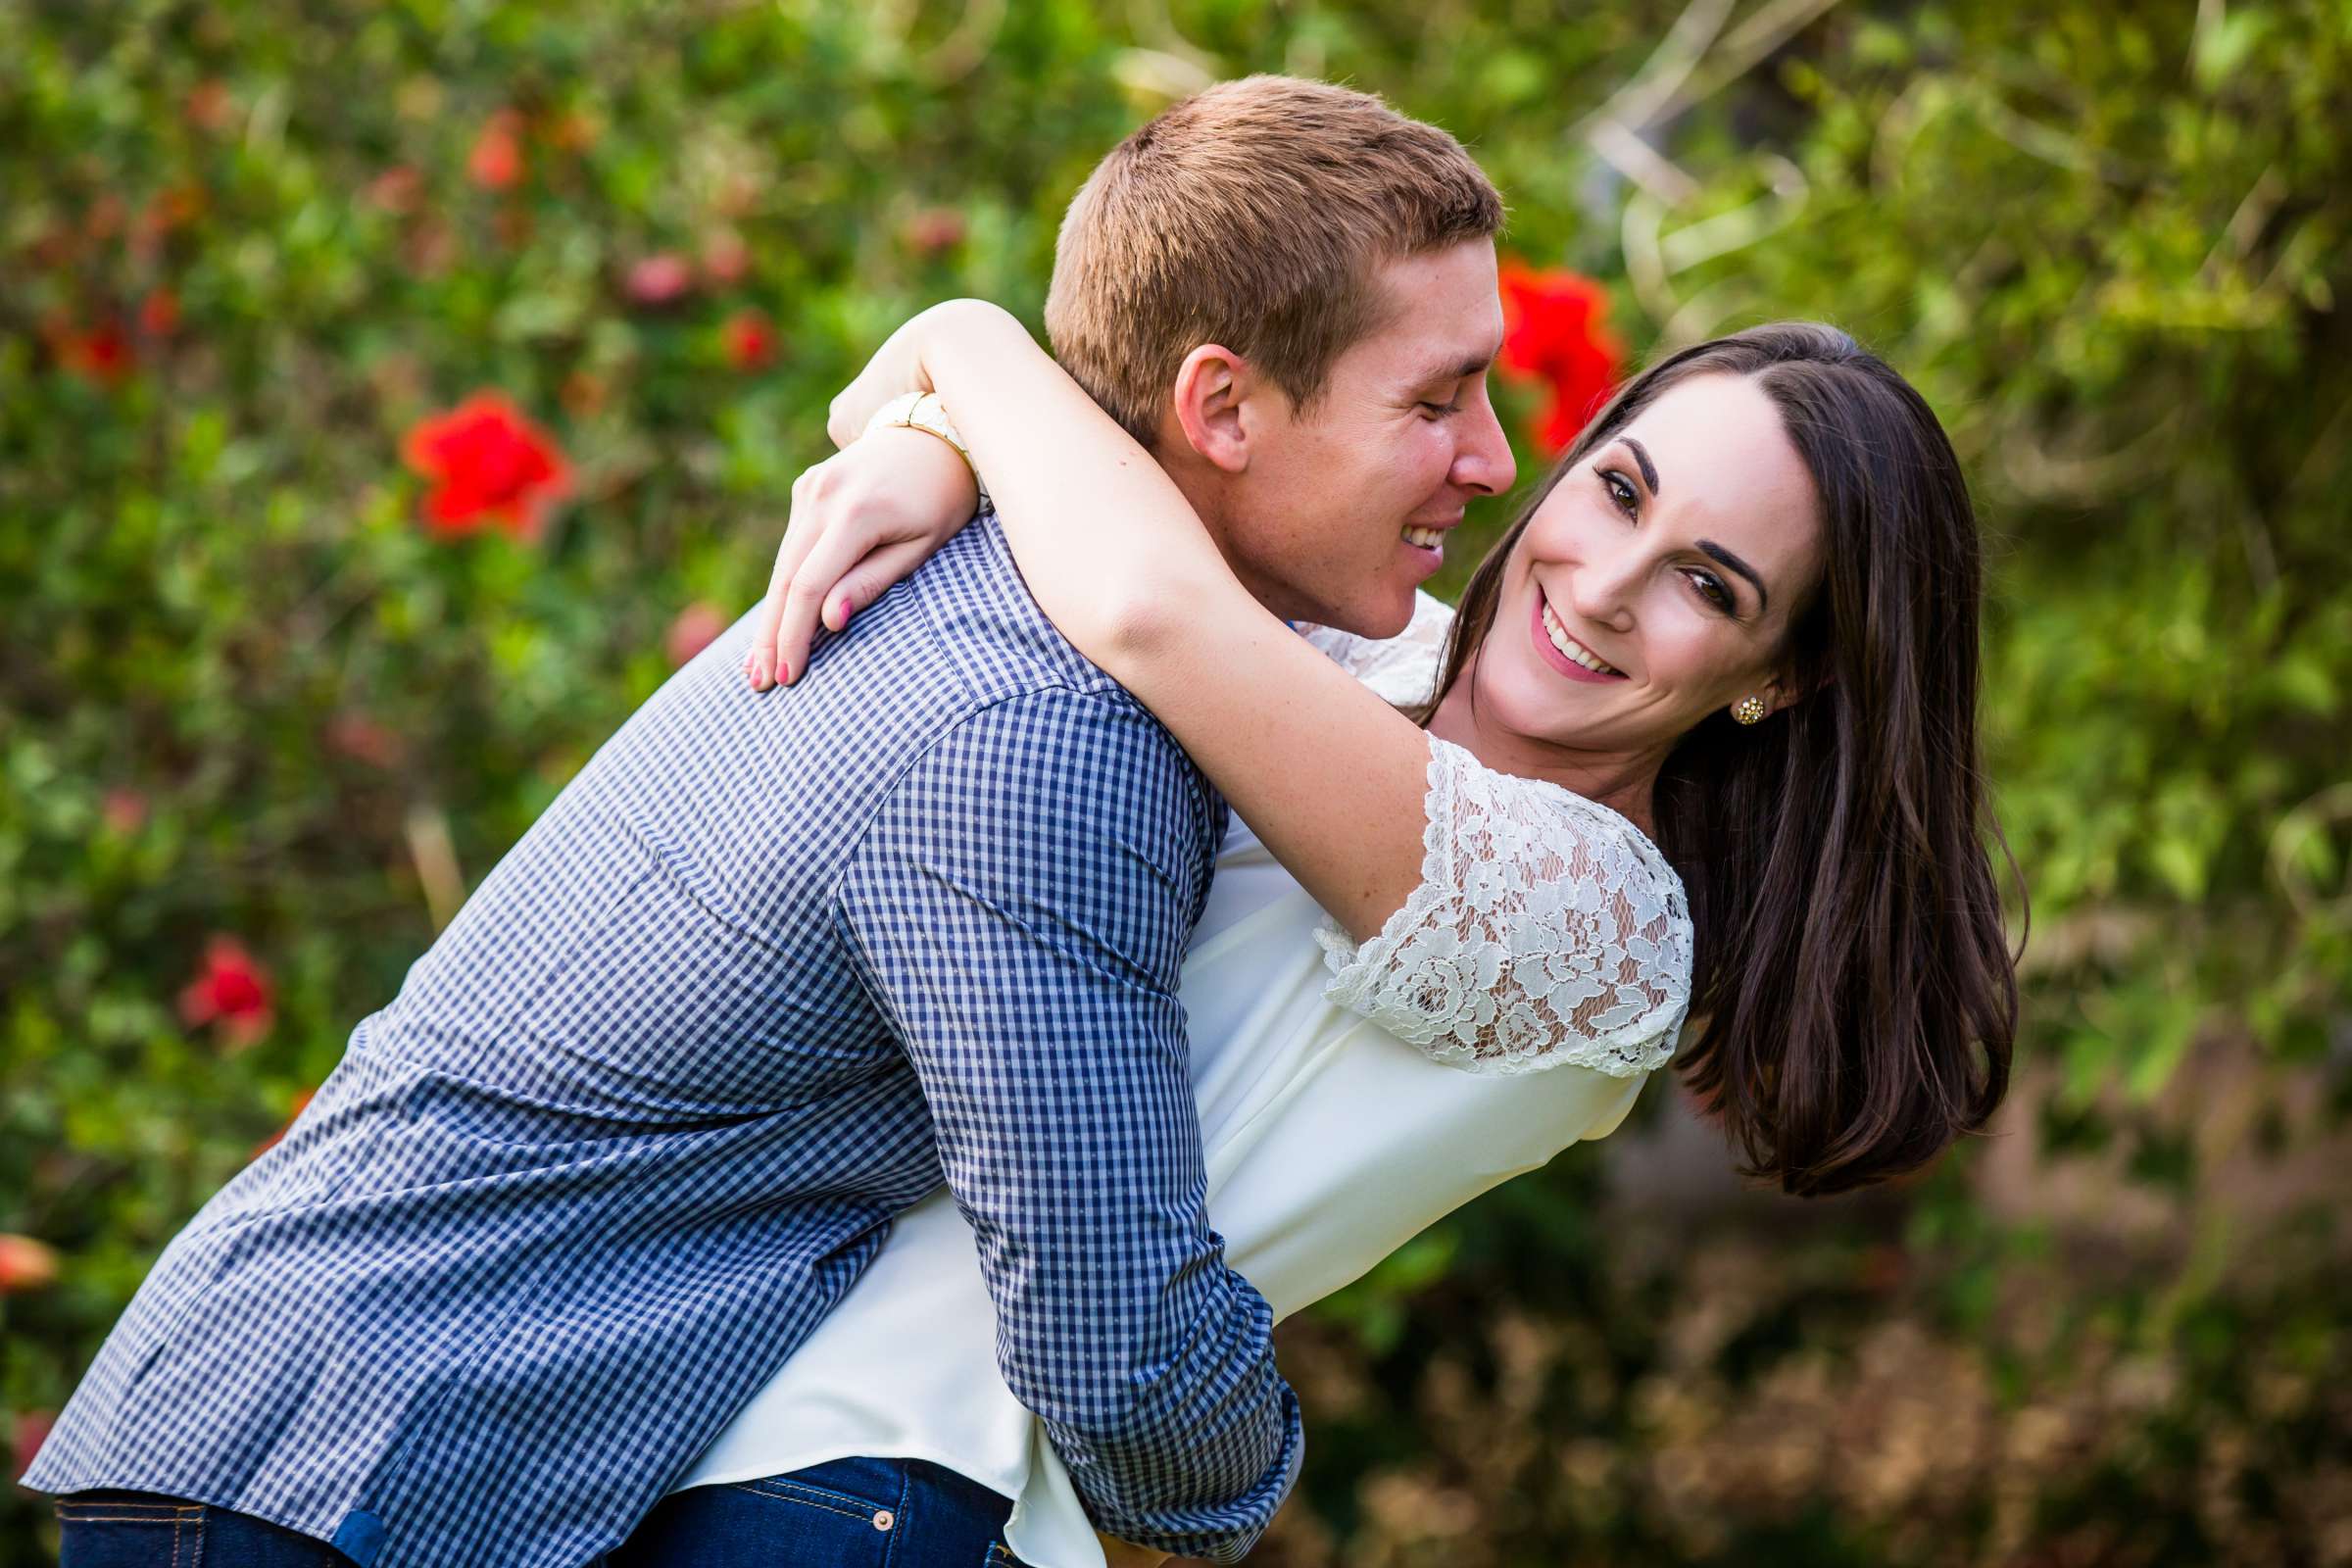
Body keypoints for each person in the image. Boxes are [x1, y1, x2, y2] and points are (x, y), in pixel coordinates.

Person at [30, 76, 1522, 1568]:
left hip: (312, 1450)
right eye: (1436, 399)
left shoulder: (1034, 594)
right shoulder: (1052, 734)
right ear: (1222, 409)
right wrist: (1241, 1474)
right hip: (328, 1476)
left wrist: (949, 392)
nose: (1495, 458)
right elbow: (1109, 1328)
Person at [650, 300, 2021, 1567]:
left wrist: (962, 342)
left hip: (893, 1480)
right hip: (726, 1416)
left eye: (1707, 586)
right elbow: (1048, 498)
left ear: (1779, 681)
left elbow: (1139, 599)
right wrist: (936, 444)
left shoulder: (1598, 931)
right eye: (1618, 491)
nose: (1604, 585)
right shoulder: (1364, 654)